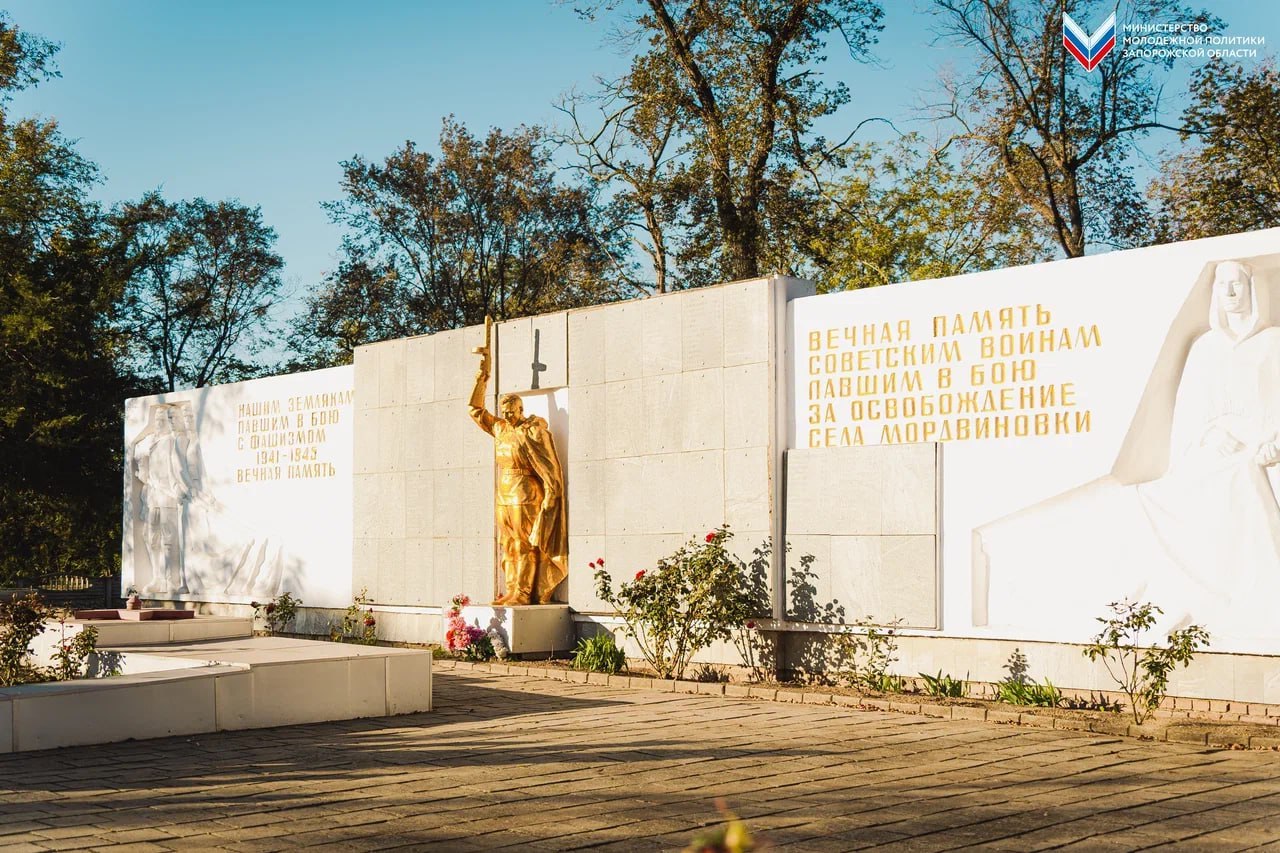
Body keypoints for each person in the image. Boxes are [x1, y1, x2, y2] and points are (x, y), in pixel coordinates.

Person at [468, 345, 568, 605]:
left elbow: (549, 466)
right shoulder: (500, 428)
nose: (507, 414)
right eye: (504, 410)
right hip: (504, 491)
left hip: (525, 492)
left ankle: (523, 594)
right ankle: (512, 589)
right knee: (509, 544)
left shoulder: (532, 431)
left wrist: (551, 495)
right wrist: (482, 378)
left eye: (512, 410)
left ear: (521, 409)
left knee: (524, 544)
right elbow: (475, 410)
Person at [132, 405, 192, 596]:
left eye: (163, 420)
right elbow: (138, 452)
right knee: (151, 537)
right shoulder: (149, 441)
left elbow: (180, 467)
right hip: (152, 496)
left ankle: (171, 580)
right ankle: (157, 577)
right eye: (157, 419)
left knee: (169, 538)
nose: (159, 423)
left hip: (168, 495)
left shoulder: (173, 441)